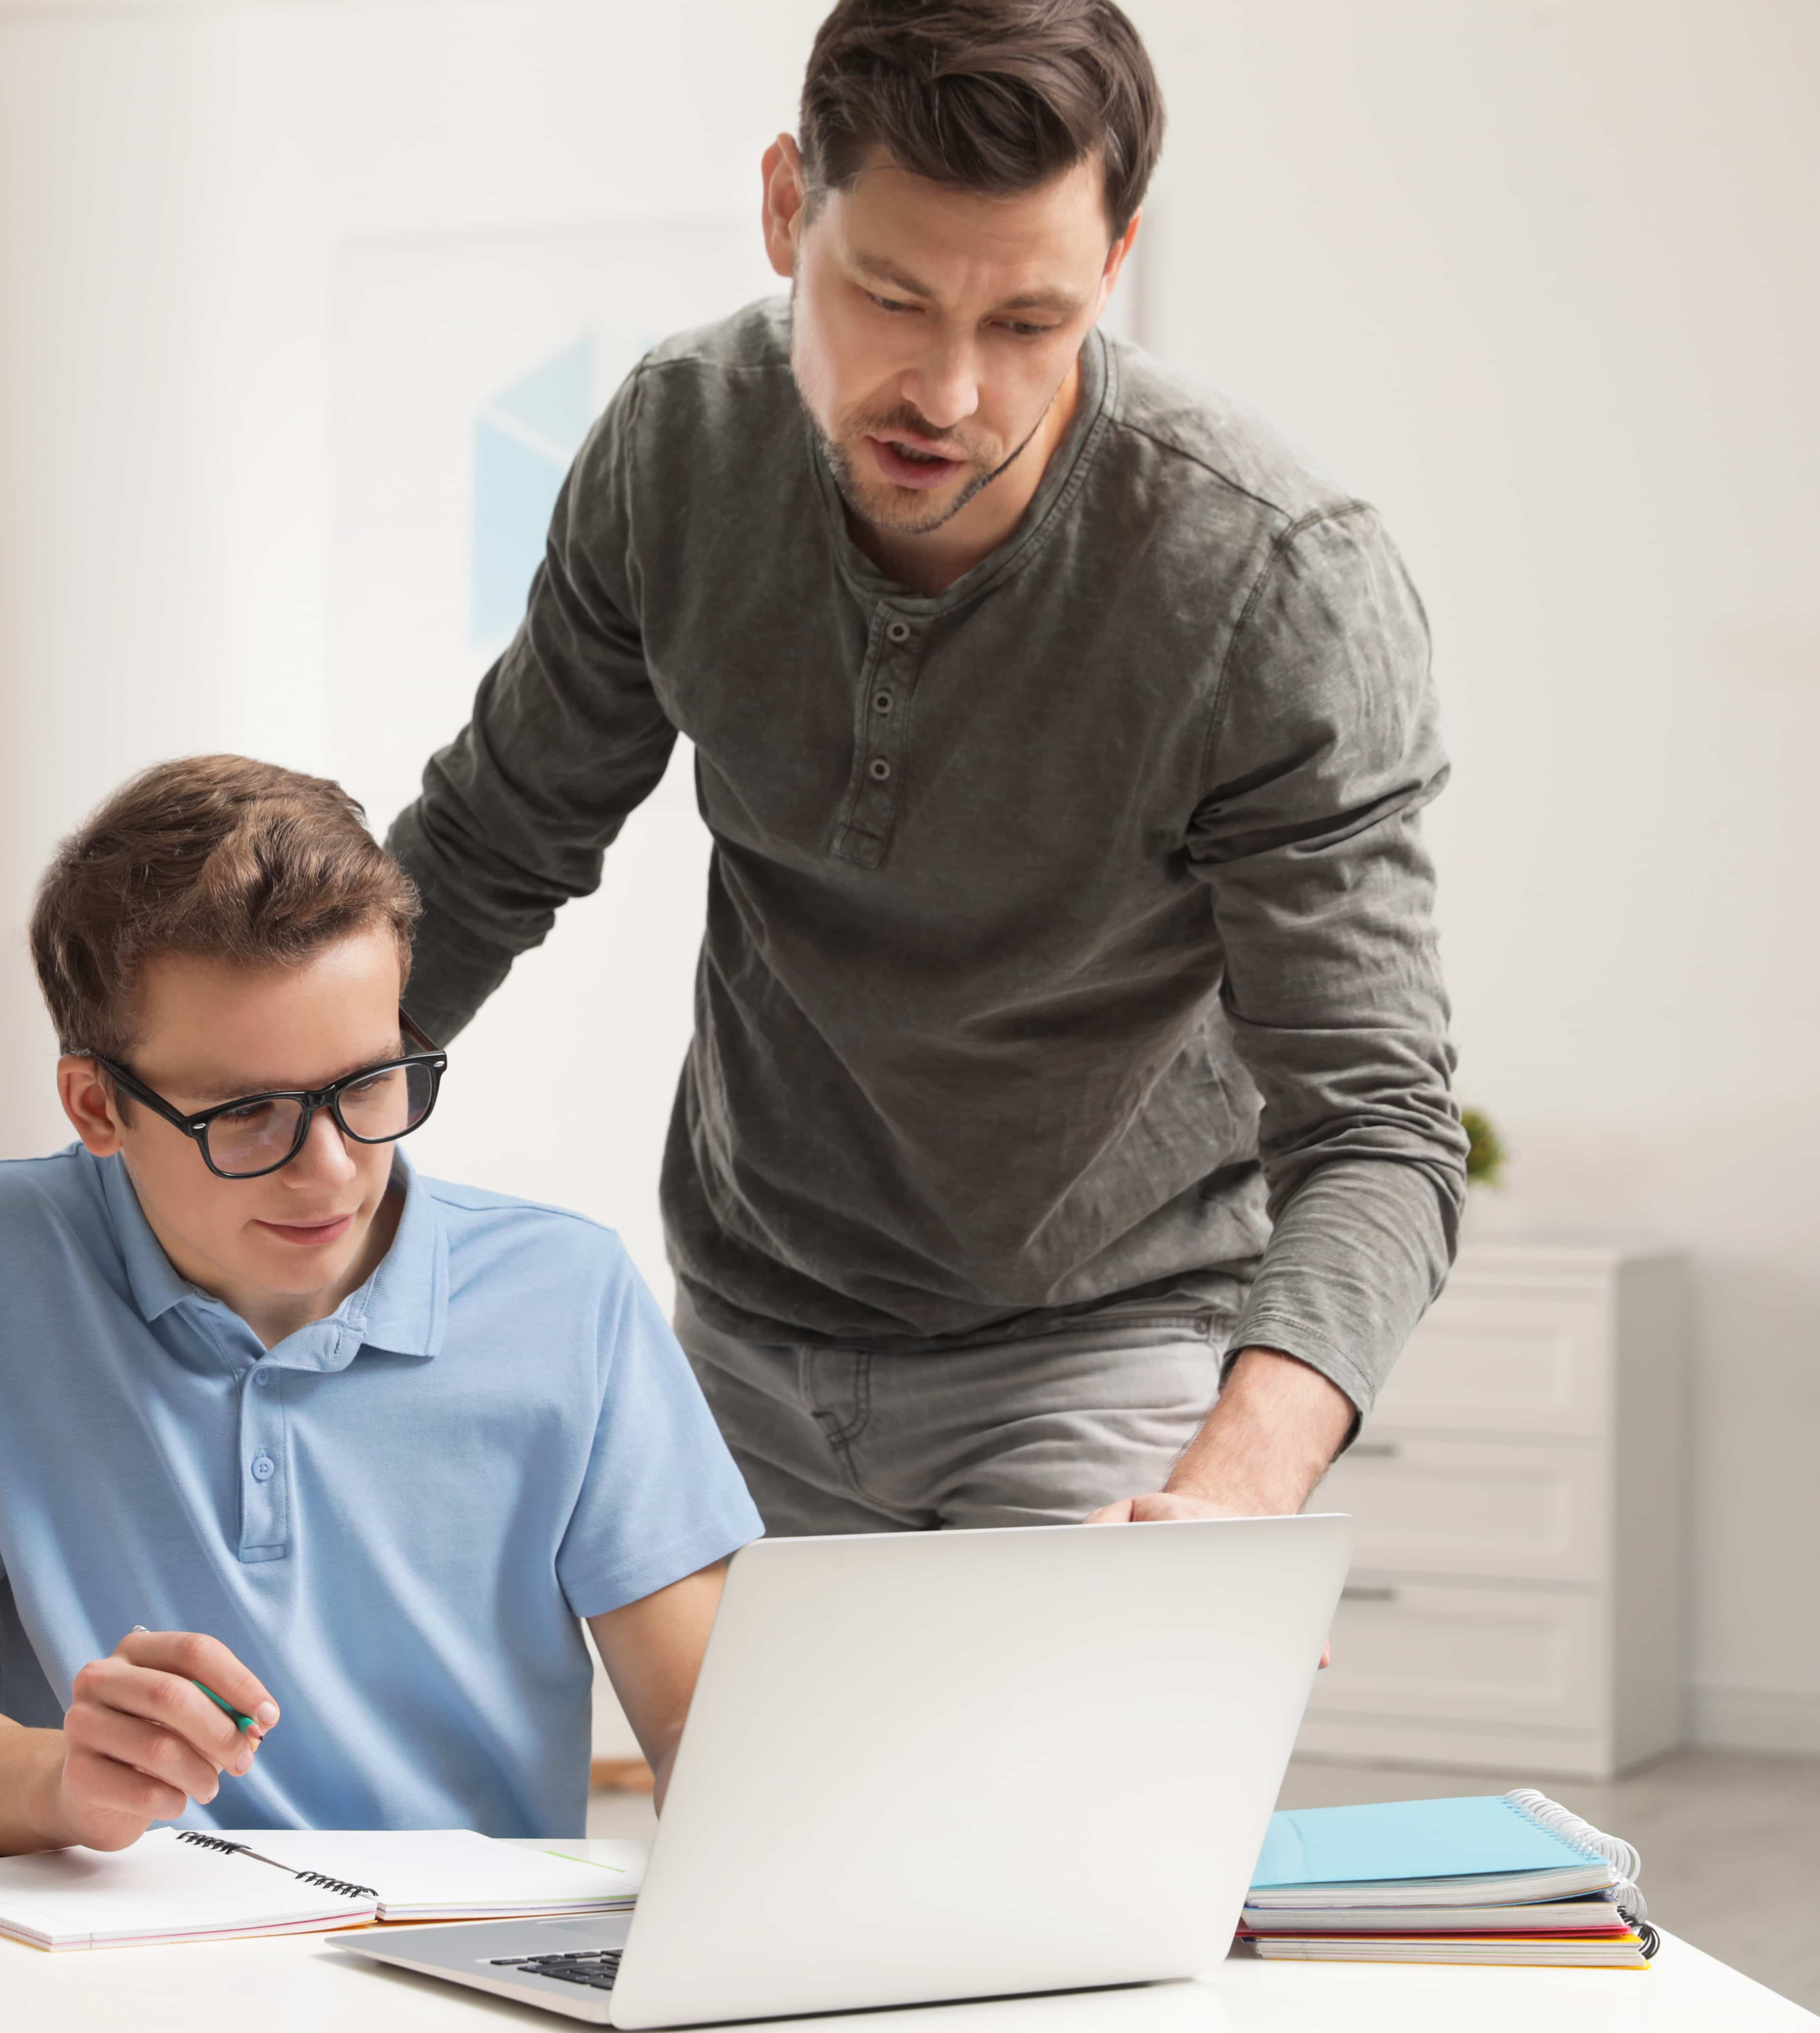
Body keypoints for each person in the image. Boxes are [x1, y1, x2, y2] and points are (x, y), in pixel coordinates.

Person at [386, 0, 1466, 1538]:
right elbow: (489, 849)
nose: (947, 395)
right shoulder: (675, 449)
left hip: (1104, 1349)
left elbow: (1374, 1123)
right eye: (889, 297)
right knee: (757, 1790)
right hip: (741, 1338)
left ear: (1112, 265)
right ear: (783, 208)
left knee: (1055, 1786)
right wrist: (272, 1118)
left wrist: (1233, 1487)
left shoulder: (1267, 582)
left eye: (1025, 323)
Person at [0, 757, 762, 1853]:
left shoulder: (571, 1295)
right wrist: (61, 1781)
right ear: (96, 1105)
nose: (328, 1169)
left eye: (368, 1083)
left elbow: (710, 1726)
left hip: (459, 1969)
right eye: (250, 1113)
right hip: (109, 1959)